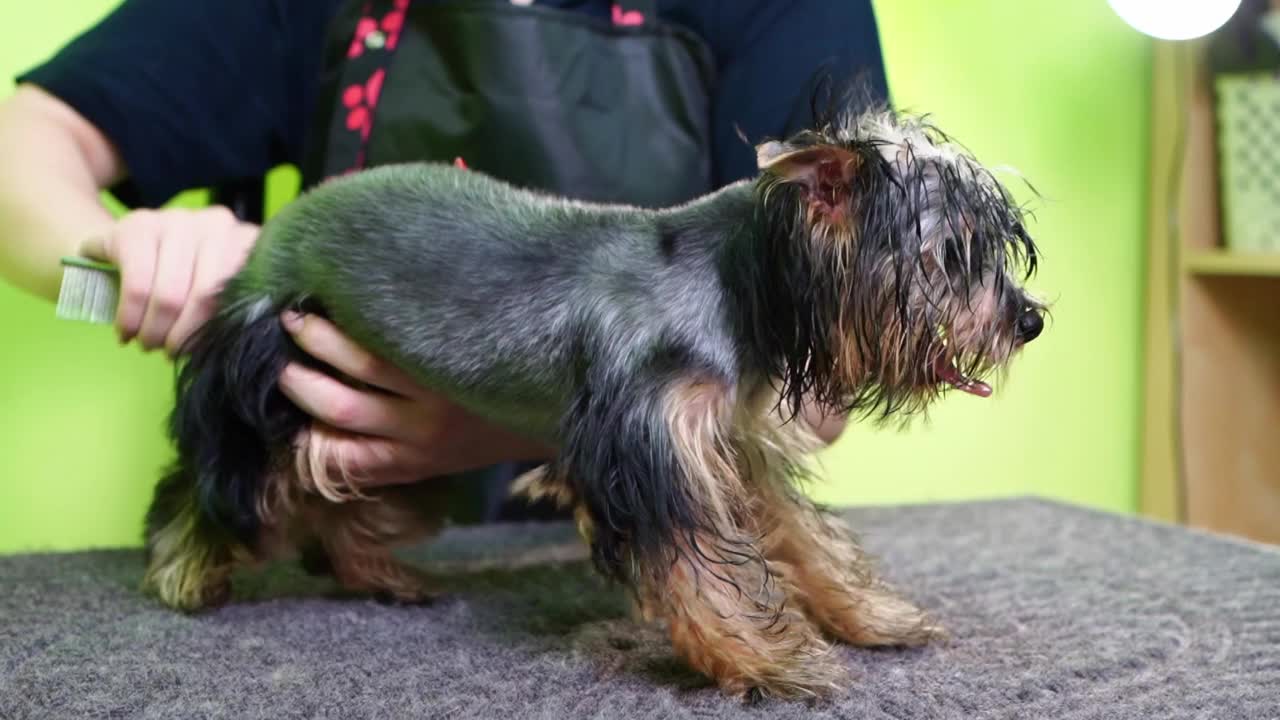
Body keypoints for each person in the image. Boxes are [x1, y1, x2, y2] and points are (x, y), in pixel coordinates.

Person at [0, 0, 890, 521]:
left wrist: (527, 418)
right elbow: (24, 142)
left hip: (639, 551)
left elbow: (821, 387)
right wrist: (113, 258)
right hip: (333, 547)